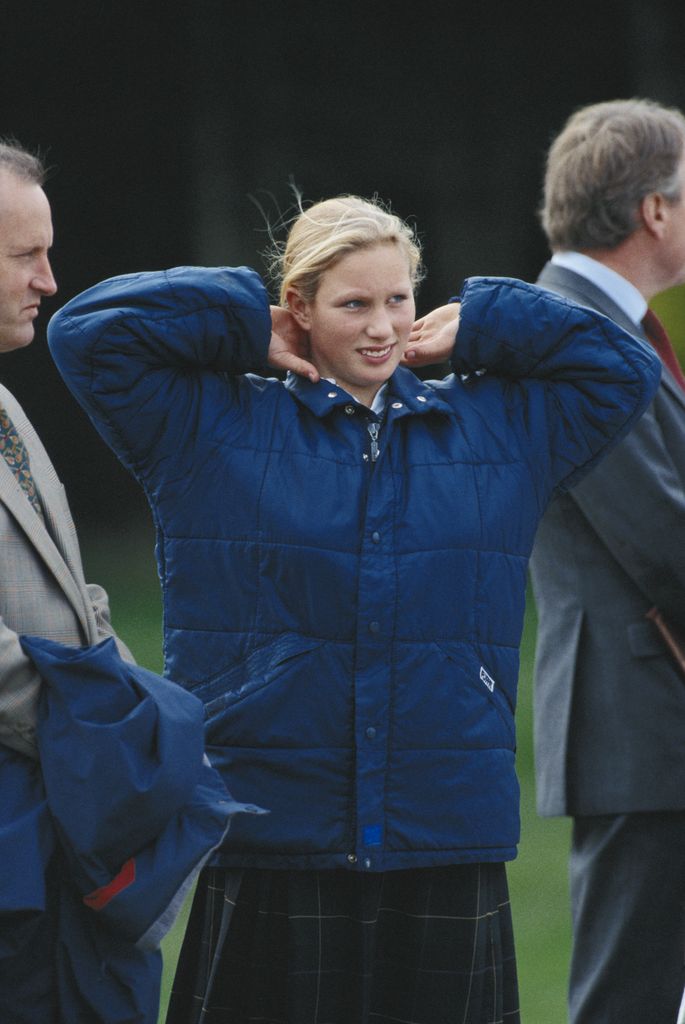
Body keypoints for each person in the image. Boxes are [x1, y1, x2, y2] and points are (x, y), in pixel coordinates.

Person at [47, 193, 659, 1024]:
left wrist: (486, 325)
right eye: (353, 303)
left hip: (442, 822)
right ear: (297, 308)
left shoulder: (497, 427)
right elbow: (87, 334)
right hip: (271, 823)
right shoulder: (208, 427)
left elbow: (624, 368)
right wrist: (237, 322)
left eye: (398, 298)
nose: (382, 327)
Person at [529, 98, 685, 1023]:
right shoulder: (570, 333)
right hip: (639, 720)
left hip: (650, 713)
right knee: (627, 1000)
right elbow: (662, 537)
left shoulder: (595, 324)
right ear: (653, 211)